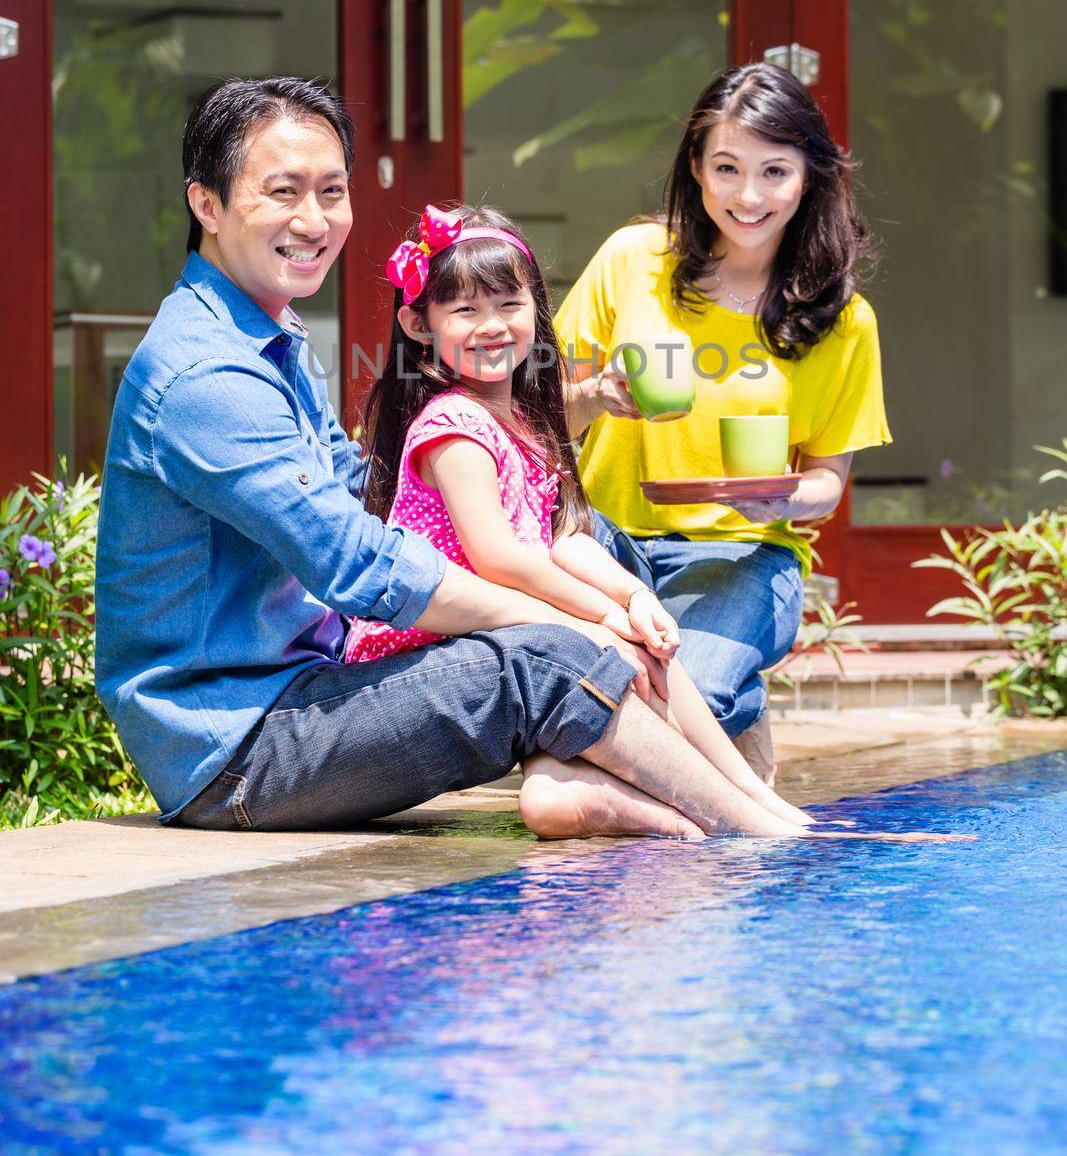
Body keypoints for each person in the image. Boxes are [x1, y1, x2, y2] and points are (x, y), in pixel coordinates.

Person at [93, 76, 833, 838]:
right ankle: (755, 835)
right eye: (282, 192)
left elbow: (363, 495)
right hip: (240, 750)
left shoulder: (269, 339)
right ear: (206, 204)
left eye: (331, 190)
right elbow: (356, 561)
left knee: (579, 548)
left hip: (305, 691)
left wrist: (587, 597)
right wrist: (567, 622)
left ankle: (718, 805)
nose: (313, 220)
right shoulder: (205, 373)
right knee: (542, 656)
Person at [347, 201, 824, 840]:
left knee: (645, 641)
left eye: (508, 305)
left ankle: (738, 800)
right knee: (617, 642)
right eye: (465, 311)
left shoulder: (518, 420)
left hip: (504, 629)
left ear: (536, 312)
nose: (491, 326)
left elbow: (562, 538)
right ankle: (745, 814)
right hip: (431, 648)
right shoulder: (451, 426)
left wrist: (631, 596)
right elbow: (499, 556)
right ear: (419, 323)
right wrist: (596, 616)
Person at [556, 62, 892, 786]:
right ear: (695, 169)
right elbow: (537, 414)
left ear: (810, 177)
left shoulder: (842, 320)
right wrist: (594, 396)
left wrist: (782, 499)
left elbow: (828, 482)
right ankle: (737, 710)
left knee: (664, 711)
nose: (747, 196)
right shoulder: (632, 259)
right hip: (603, 550)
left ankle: (721, 690)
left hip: (742, 558)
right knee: (585, 716)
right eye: (727, 168)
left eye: (774, 171)